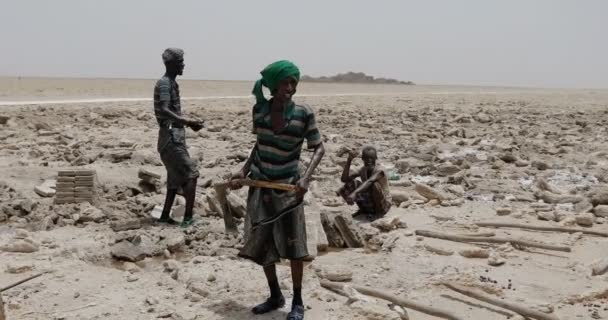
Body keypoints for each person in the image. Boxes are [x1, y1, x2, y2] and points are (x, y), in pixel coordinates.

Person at [230, 60, 325, 320]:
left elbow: (319, 148)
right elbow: (259, 144)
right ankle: (275, 295)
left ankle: (297, 301)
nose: (290, 87)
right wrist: (244, 171)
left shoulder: (304, 113)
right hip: (261, 186)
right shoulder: (259, 111)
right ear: (273, 85)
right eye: (285, 82)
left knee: (295, 246)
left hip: (289, 189)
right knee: (264, 244)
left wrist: (305, 178)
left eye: (294, 82)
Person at [153, 48, 204, 228]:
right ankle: (188, 219)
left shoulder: (172, 84)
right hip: (170, 137)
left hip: (173, 135)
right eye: (181, 62)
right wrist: (188, 121)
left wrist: (187, 123)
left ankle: (165, 216)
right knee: (191, 174)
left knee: (174, 178)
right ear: (172, 64)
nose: (183, 65)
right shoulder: (165, 83)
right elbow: (165, 109)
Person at [338, 146, 392, 220]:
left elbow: (370, 181)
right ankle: (363, 210)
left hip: (384, 204)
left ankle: (379, 213)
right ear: (362, 159)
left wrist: (354, 193)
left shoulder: (380, 170)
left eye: (371, 158)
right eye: (366, 158)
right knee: (352, 183)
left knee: (374, 185)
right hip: (370, 201)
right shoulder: (363, 170)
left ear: (376, 158)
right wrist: (349, 160)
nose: (369, 161)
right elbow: (344, 179)